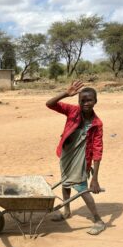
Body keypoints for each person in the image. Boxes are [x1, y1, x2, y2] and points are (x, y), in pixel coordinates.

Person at [46, 81, 106, 235]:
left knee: (82, 188)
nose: (86, 103)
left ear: (95, 101)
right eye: (82, 100)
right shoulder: (72, 111)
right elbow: (50, 104)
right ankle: (66, 211)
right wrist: (66, 93)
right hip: (67, 155)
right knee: (65, 182)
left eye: (89, 100)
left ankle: (98, 220)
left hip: (81, 159)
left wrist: (95, 178)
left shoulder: (97, 124)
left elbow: (98, 150)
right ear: (78, 101)